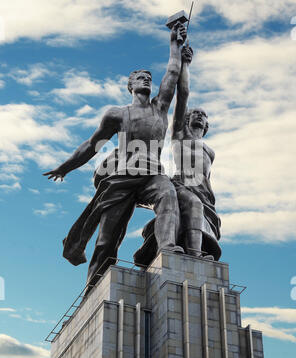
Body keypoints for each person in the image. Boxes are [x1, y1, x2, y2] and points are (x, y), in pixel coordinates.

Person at [43, 22, 187, 295]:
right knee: (107, 240)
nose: (146, 79)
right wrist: (66, 167)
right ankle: (93, 286)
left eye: (148, 77)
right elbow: (91, 144)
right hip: (122, 177)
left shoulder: (160, 108)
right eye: (139, 77)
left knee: (168, 193)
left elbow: (172, 73)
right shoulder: (116, 114)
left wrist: (174, 44)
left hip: (151, 174)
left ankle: (168, 248)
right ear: (130, 85)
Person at [134, 44, 221, 266]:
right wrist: (185, 65)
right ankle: (195, 253)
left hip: (205, 193)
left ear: (208, 124)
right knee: (193, 204)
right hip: (183, 186)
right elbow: (183, 95)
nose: (199, 116)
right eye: (196, 113)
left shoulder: (210, 151)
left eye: (204, 115)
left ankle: (194, 251)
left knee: (197, 208)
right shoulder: (180, 135)